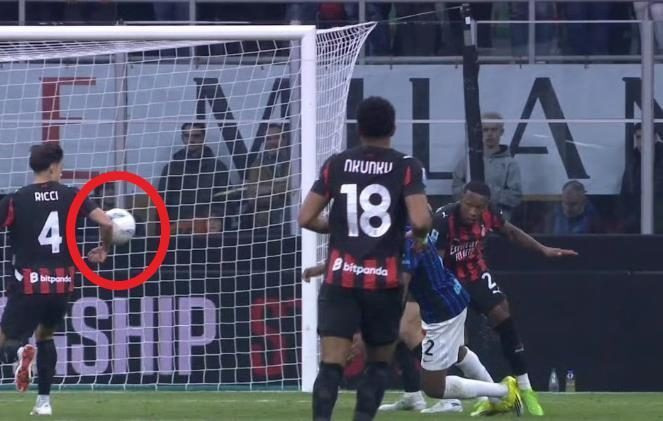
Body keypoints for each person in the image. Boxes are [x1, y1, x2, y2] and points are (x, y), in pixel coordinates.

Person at [297, 96, 431, 421]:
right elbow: (420, 222)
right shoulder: (406, 166)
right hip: (384, 282)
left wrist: (343, 226)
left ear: (358, 129)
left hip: (340, 278)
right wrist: (420, 237)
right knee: (378, 364)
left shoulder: (336, 163)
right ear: (393, 128)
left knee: (331, 364)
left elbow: (306, 217)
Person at [302, 230, 523, 417]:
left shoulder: (409, 241)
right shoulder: (399, 230)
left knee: (434, 387)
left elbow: (400, 285)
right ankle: (496, 398)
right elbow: (363, 256)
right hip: (449, 298)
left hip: (442, 311)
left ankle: (503, 391)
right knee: (456, 351)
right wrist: (323, 267)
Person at [432, 181, 578, 416]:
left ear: (486, 207)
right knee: (457, 345)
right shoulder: (443, 219)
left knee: (504, 318)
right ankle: (491, 395)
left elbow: (510, 232)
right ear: (461, 200)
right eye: (468, 205)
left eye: (478, 207)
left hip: (476, 274)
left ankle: (526, 388)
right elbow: (435, 264)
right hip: (450, 282)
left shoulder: (489, 215)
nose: (472, 211)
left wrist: (543, 249)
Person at [0, 142, 114, 416]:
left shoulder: (16, 199)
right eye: (61, 166)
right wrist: (104, 248)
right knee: (46, 336)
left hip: (29, 283)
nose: (62, 171)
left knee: (5, 339)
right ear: (52, 167)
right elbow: (108, 222)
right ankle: (44, 403)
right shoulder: (72, 195)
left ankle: (18, 352)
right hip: (62, 285)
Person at [158, 122, 229, 234]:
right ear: (182, 138)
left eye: (196, 136)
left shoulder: (218, 168)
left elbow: (226, 200)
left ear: (203, 137)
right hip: (178, 230)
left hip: (208, 230)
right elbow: (162, 203)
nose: (191, 140)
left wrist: (215, 219)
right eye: (187, 136)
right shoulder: (171, 169)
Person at [452, 113, 522, 221]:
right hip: (469, 223)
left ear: (501, 132)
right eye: (485, 130)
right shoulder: (466, 162)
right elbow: (455, 192)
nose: (489, 134)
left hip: (497, 222)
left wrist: (485, 192)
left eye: (494, 130)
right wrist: (470, 192)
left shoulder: (510, 164)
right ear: (480, 132)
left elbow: (515, 197)